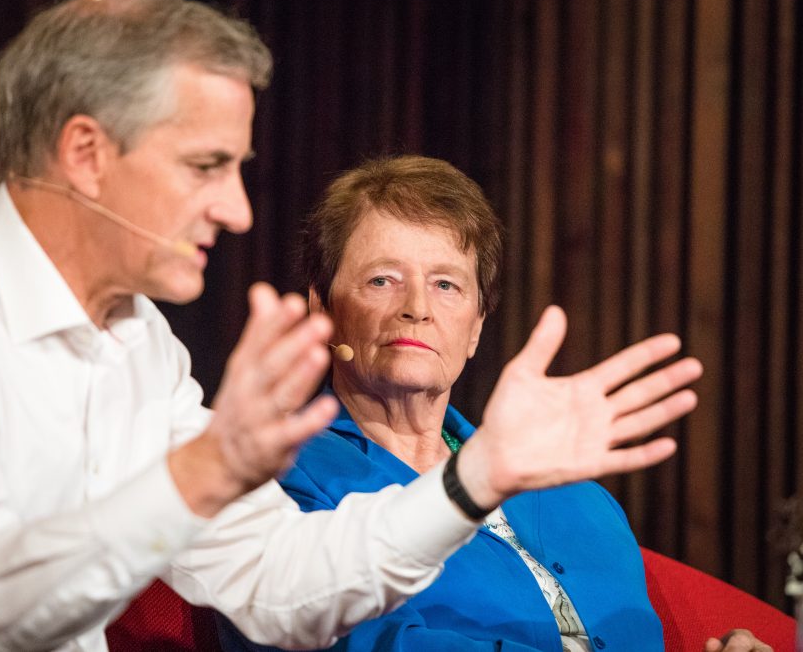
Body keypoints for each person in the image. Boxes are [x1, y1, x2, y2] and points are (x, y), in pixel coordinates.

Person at [0, 0, 702, 652]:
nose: (236, 209)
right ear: (86, 153)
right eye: (205, 166)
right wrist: (201, 472)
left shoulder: (139, 344)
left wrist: (475, 479)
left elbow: (274, 578)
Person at [219, 156, 769, 652]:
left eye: (446, 285)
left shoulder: (578, 496)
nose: (417, 307)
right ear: (323, 308)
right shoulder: (276, 474)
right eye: (382, 280)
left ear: (477, 327)